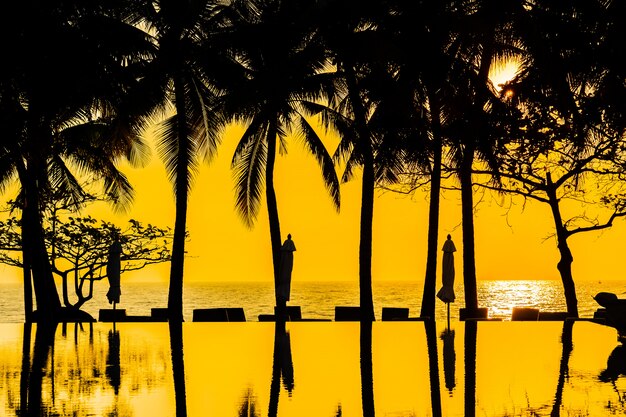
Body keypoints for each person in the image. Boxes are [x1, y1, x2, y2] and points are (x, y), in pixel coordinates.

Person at [277, 234, 296, 308]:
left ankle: (282, 294)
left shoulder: (287, 256)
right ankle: (282, 294)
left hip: (285, 270)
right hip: (285, 271)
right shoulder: (287, 257)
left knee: (285, 278)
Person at [436, 234, 456, 304]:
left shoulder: (446, 258)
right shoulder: (449, 258)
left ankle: (446, 294)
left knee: (448, 274)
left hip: (447, 281)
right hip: (448, 282)